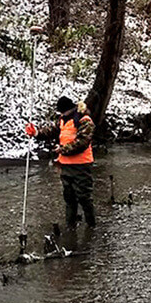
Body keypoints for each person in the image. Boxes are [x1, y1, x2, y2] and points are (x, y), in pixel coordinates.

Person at [25, 96, 96, 228]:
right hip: (66, 166)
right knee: (69, 198)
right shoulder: (63, 120)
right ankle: (70, 226)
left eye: (62, 112)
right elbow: (52, 131)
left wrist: (62, 150)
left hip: (81, 166)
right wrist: (35, 133)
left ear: (69, 110)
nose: (60, 115)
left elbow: (82, 142)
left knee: (84, 198)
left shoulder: (84, 121)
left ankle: (91, 227)